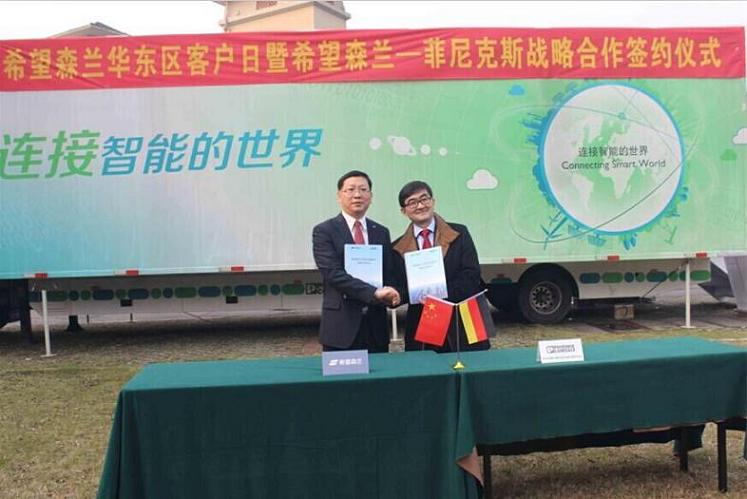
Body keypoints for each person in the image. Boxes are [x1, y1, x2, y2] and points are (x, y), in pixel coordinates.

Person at [392, 180, 490, 352]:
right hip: (422, 323)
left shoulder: (460, 233)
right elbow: (399, 287)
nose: (420, 206)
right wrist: (398, 296)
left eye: (424, 199)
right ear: (403, 211)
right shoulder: (397, 247)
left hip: (463, 319)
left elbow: (472, 274)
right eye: (412, 202)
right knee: (427, 366)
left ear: (433, 201)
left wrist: (438, 295)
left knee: (471, 366)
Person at [312, 170, 400, 353]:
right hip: (341, 327)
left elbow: (388, 272)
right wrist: (374, 292)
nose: (357, 195)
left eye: (363, 189)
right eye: (350, 189)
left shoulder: (381, 232)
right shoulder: (324, 231)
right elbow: (333, 274)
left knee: (378, 372)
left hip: (375, 328)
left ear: (371, 196)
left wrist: (394, 293)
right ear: (339, 196)